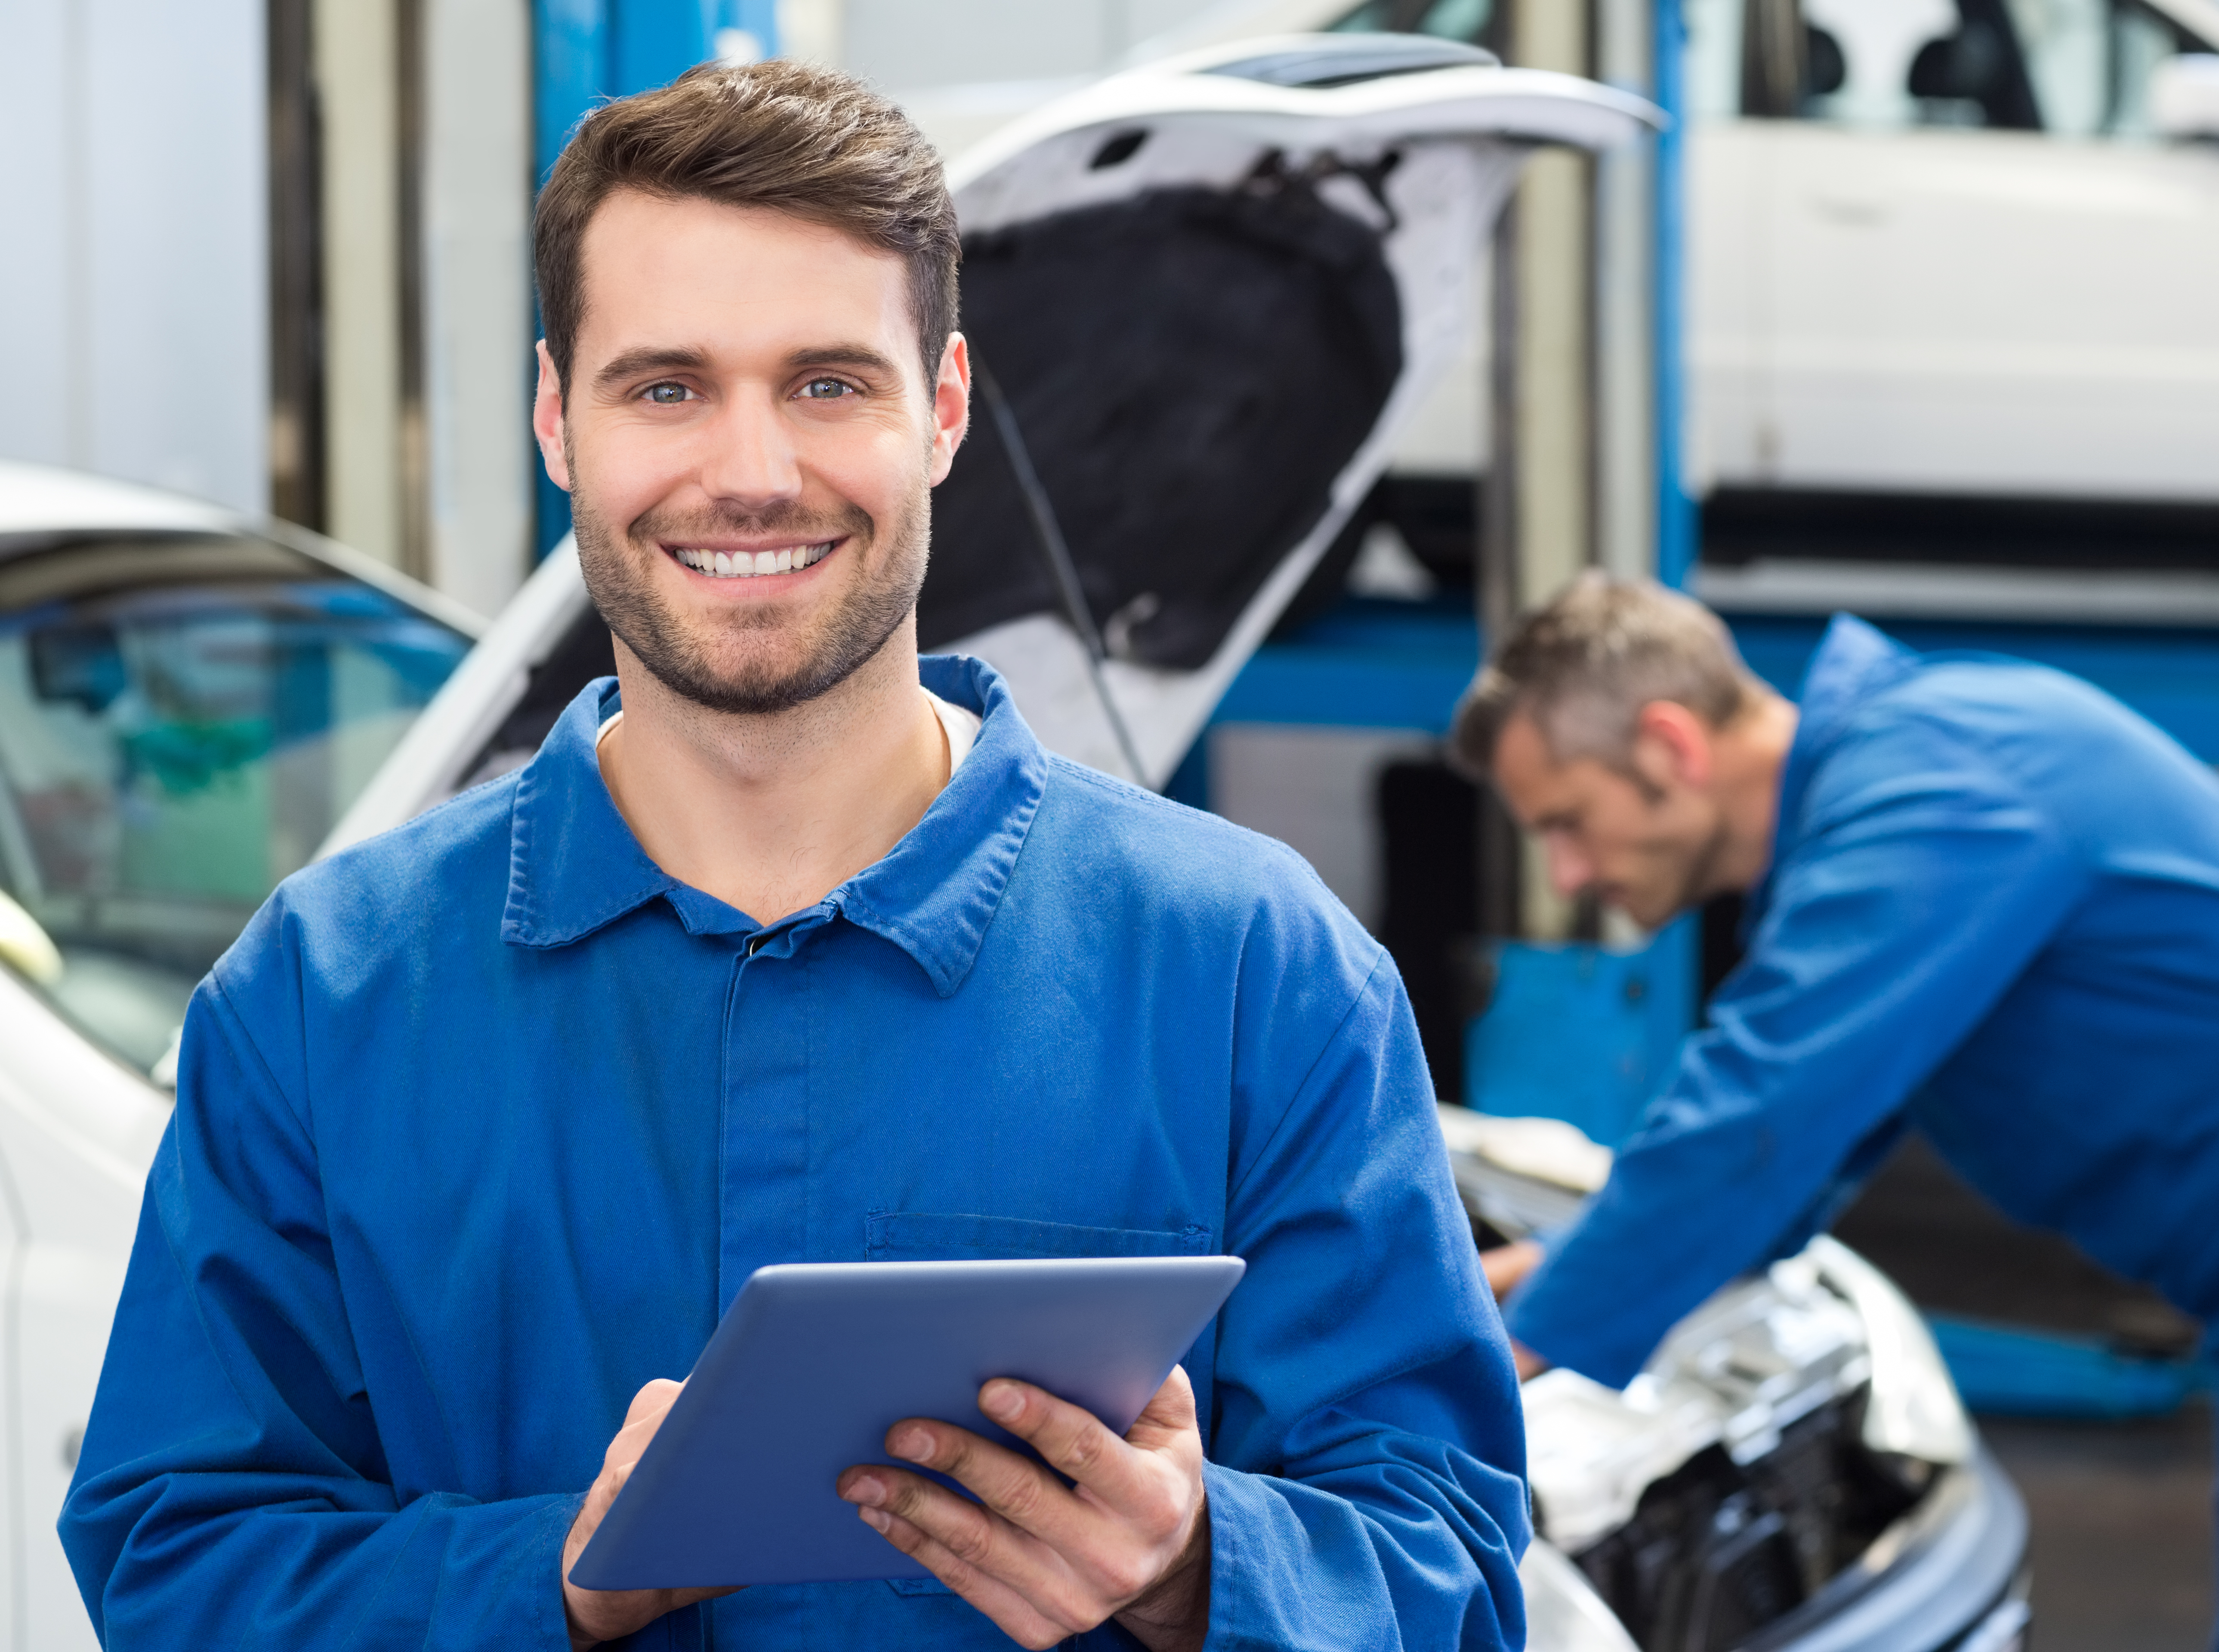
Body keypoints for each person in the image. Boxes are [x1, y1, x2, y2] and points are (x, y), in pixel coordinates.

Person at [60, 62, 1527, 1652]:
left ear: (946, 407)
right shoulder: (322, 997)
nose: (750, 471)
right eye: (666, 386)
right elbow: (179, 1564)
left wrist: (1195, 1567)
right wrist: (554, 1577)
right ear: (560, 417)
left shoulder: (1254, 975)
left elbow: (1450, 1560)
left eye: (828, 382)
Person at [1460, 573, 2219, 1652]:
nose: (1568, 873)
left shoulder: (1937, 784)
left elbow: (1760, 1107)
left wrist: (1491, 1349)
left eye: (1567, 822)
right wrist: (1563, 1262)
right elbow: (1795, 1158)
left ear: (1670, 745)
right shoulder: (1903, 786)